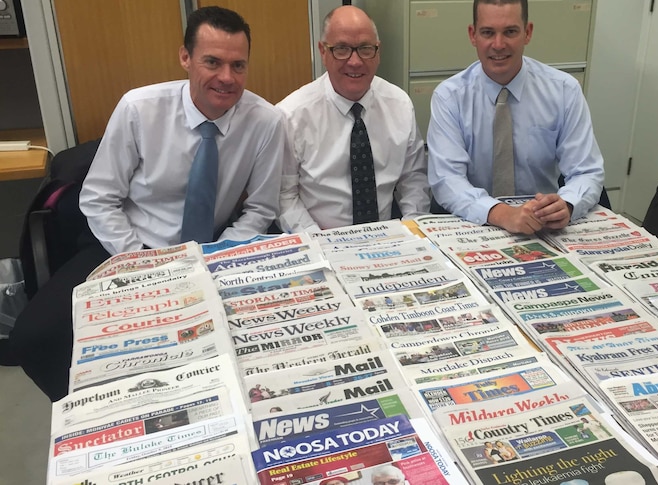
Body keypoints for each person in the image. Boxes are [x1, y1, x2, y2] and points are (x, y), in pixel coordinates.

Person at [9, 6, 284, 402]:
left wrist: (215, 255)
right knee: (33, 337)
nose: (227, 78)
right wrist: (138, 261)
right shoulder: (139, 108)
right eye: (213, 62)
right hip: (128, 246)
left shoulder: (266, 122)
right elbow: (100, 197)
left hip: (208, 251)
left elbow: (260, 209)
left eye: (238, 65)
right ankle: (89, 413)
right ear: (185, 58)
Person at [427, 0, 604, 234]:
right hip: (476, 224)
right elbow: (447, 180)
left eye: (510, 32)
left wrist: (568, 204)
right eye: (488, 32)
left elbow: (587, 170)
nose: (498, 45)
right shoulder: (449, 98)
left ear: (527, 33)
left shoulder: (564, 90)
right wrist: (501, 214)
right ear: (473, 35)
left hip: (544, 225)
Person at [276, 6, 430, 232]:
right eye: (341, 49)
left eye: (365, 49)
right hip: (321, 238)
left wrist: (413, 230)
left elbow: (413, 180)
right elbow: (284, 195)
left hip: (389, 239)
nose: (355, 62)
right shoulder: (292, 115)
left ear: (378, 52)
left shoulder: (400, 105)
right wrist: (317, 241)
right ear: (323, 51)